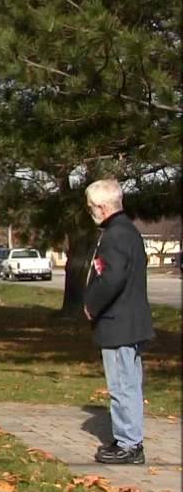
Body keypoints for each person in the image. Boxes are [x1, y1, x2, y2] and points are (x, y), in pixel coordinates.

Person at [83, 178, 154, 466]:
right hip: (127, 319)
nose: (91, 213)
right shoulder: (127, 231)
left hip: (119, 321)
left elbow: (111, 278)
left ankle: (130, 444)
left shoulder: (115, 236)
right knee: (126, 382)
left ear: (101, 207)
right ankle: (126, 435)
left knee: (123, 384)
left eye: (91, 208)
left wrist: (91, 305)